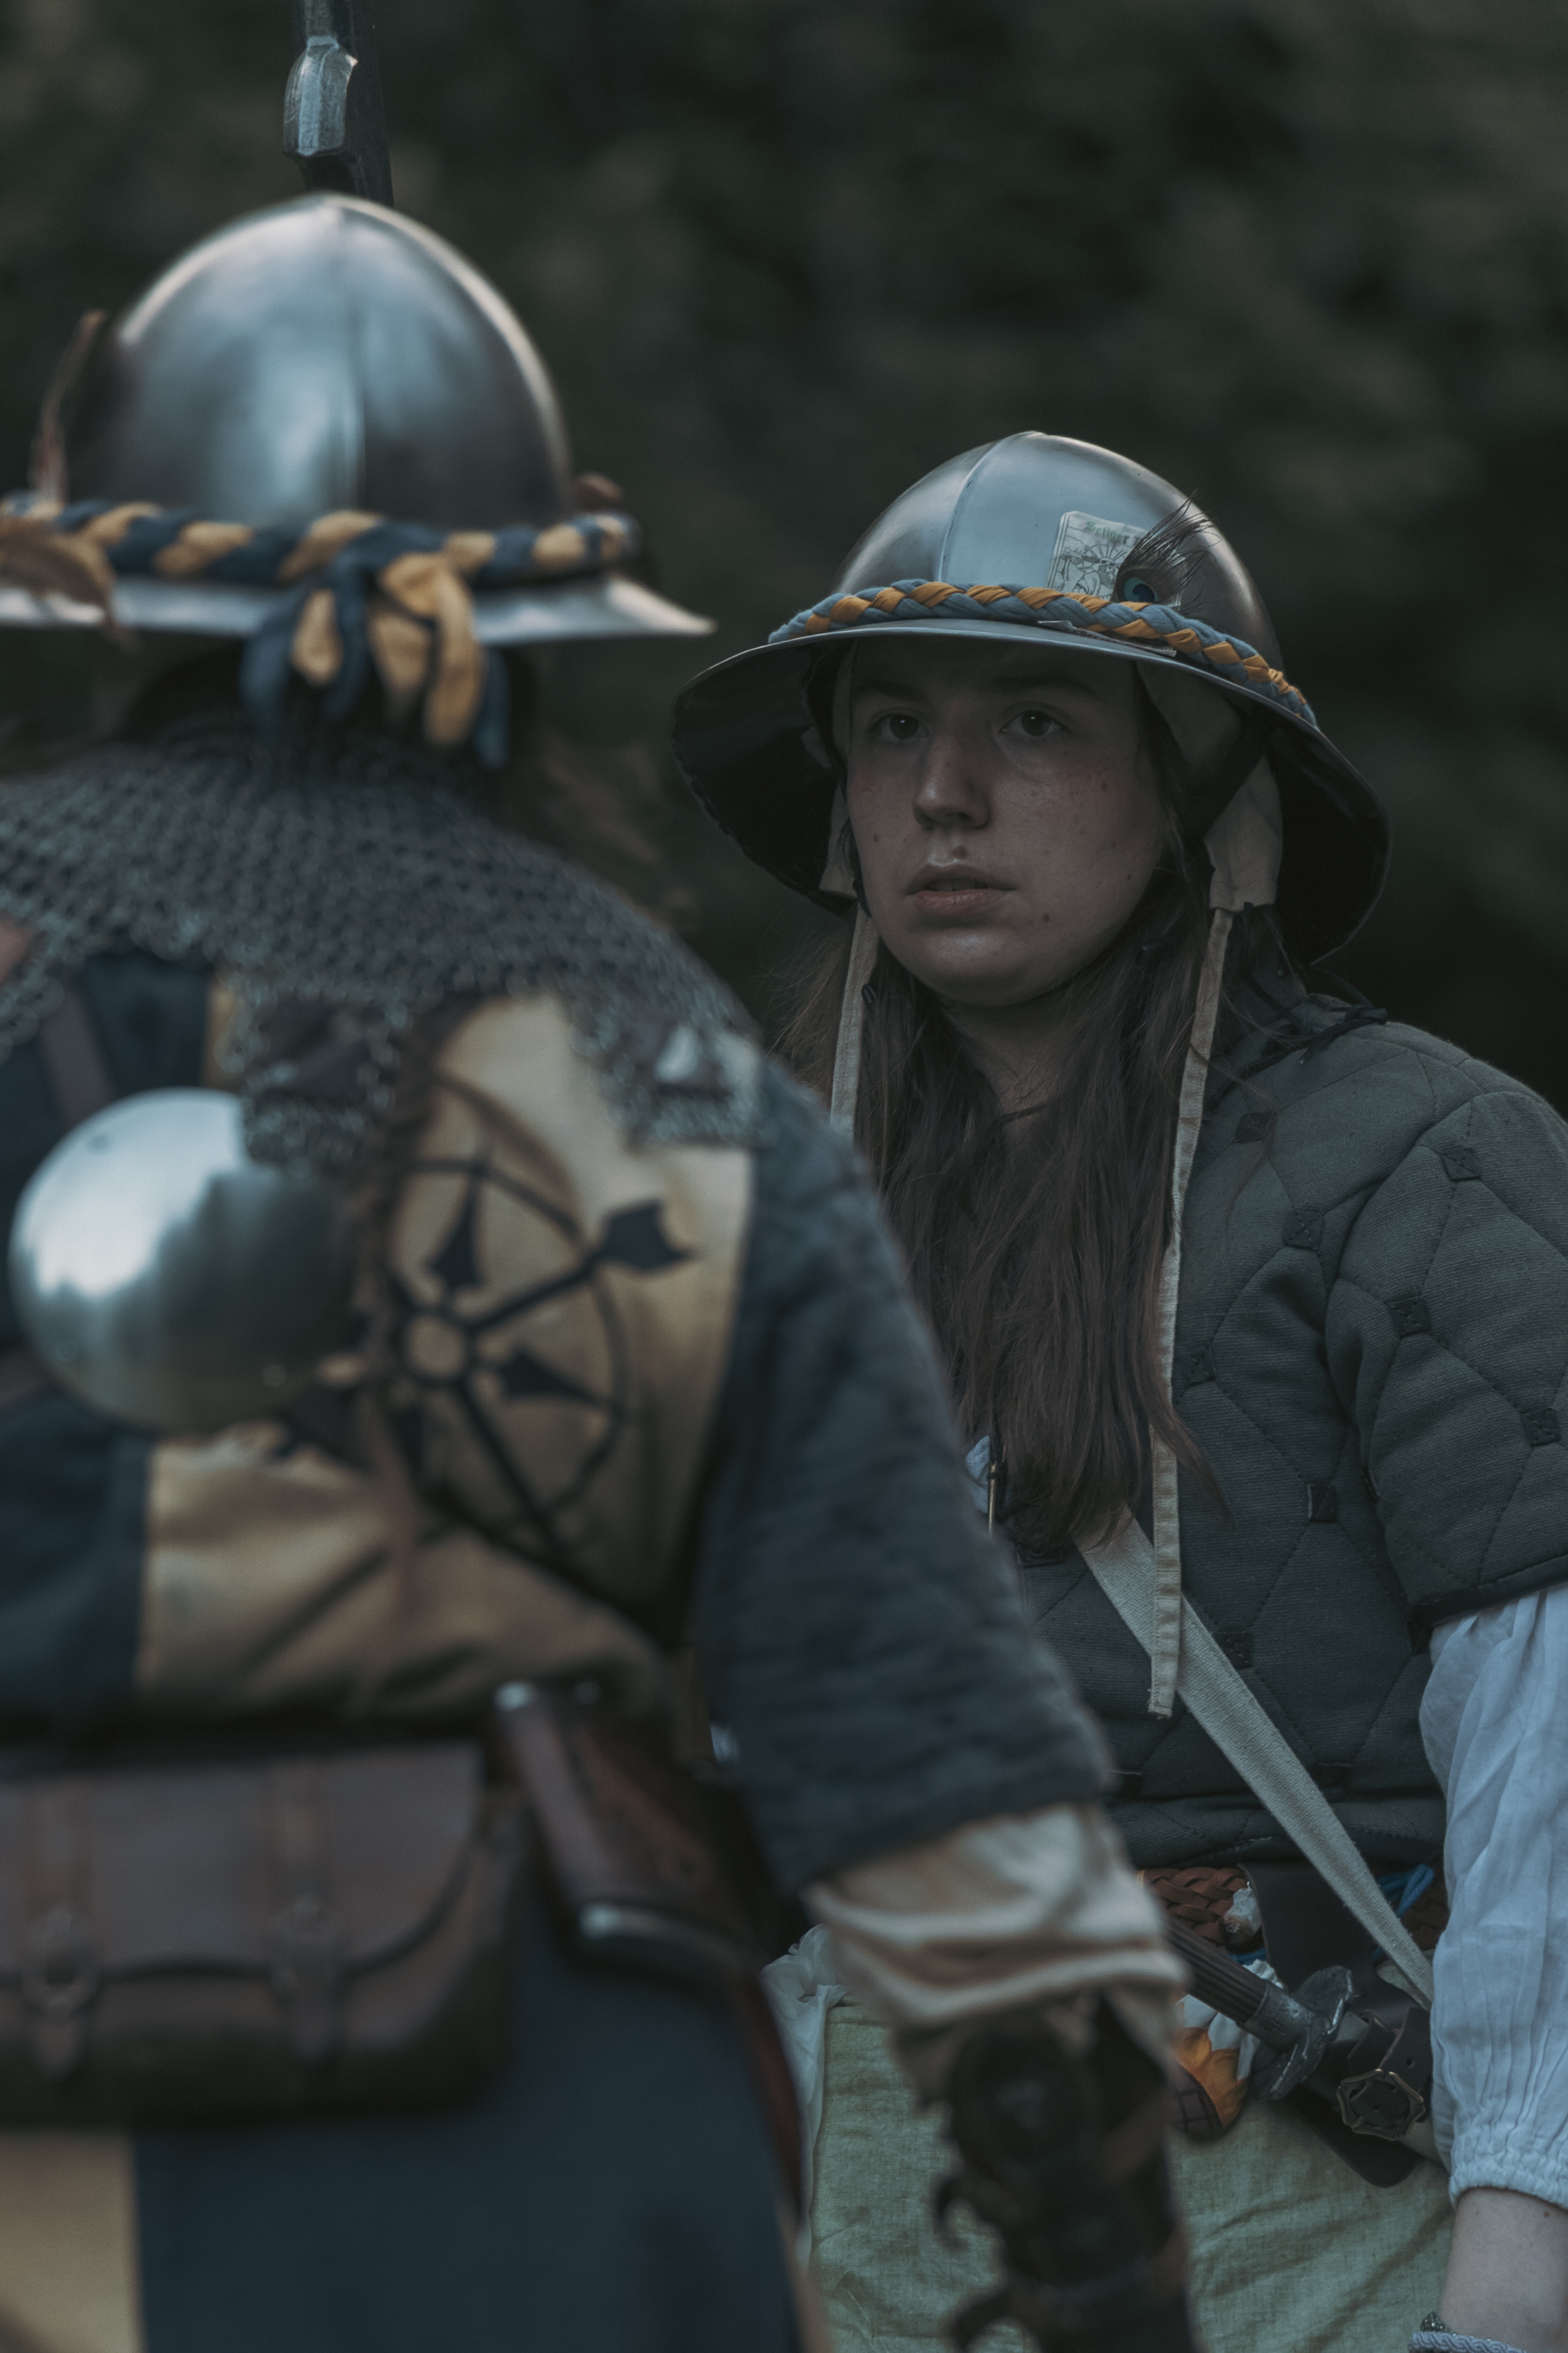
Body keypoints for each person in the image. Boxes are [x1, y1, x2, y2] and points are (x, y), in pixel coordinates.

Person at [0, 221, 1193, 2353]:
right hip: (553, 2159)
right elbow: (937, 1803)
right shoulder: (677, 1091)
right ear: (522, 646)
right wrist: (1111, 2285)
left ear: (121, 605)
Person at [673, 431, 1568, 2353]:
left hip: (1316, 2220)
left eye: (1034, 723)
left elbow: (1546, 1751)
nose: (943, 794)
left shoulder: (1426, 1163)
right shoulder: (749, 1193)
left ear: (1195, 780)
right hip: (858, 2211)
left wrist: (1511, 2288)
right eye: (890, 727)